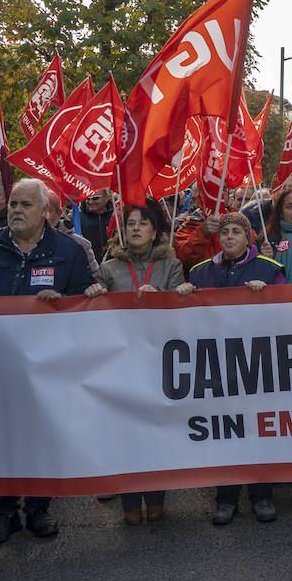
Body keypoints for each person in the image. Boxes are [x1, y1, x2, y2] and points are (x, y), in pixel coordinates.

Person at [0, 178, 99, 546]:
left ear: (44, 210)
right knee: (4, 437)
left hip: (48, 367)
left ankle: (38, 507)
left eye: (25, 205)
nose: (16, 210)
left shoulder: (68, 251)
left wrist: (64, 298)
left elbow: (84, 300)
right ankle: (4, 513)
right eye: (14, 204)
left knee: (39, 436)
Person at [175, 212, 285, 524]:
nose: (230, 237)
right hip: (218, 366)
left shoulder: (270, 269)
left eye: (237, 231)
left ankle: (262, 496)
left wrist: (268, 295)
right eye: (225, 232)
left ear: (249, 236)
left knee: (259, 430)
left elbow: (286, 314)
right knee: (225, 432)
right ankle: (226, 499)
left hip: (257, 364)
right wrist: (184, 295)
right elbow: (186, 318)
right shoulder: (199, 272)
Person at [98, 205, 185, 527]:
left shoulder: (171, 264)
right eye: (131, 224)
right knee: (126, 432)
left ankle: (157, 498)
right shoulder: (108, 269)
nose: (136, 228)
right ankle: (130, 500)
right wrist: (93, 294)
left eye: (142, 224)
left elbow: (181, 307)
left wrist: (161, 295)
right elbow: (93, 312)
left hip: (159, 359)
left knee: (155, 431)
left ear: (153, 230)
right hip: (121, 362)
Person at [45, 191, 101, 281]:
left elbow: (97, 278)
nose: (43, 215)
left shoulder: (80, 244)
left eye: (48, 211)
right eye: (39, 210)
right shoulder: (23, 244)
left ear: (59, 213)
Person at [77, 190, 114, 257]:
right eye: (87, 198)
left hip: (113, 263)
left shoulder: (116, 216)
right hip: (89, 263)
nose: (90, 202)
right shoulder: (78, 219)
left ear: (107, 197)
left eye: (95, 198)